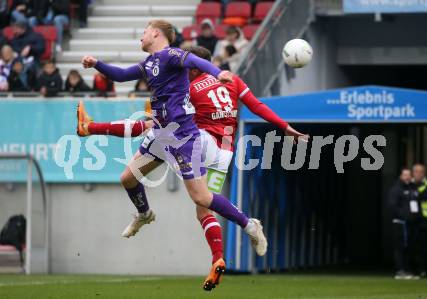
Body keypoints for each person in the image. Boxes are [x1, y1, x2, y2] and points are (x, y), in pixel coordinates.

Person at [77, 45, 309, 290]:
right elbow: (256, 106)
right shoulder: (233, 80)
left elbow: (154, 119)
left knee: (153, 135)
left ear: (193, 67)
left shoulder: (187, 90)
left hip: (199, 144)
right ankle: (220, 255)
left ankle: (90, 128)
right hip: (223, 154)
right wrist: (284, 127)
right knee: (202, 206)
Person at [389, 168, 421, 280]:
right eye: (405, 174)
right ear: (401, 176)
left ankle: (408, 270)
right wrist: (404, 216)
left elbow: (418, 204)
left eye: (409, 174)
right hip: (401, 223)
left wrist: (416, 216)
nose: (407, 177)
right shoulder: (396, 189)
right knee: (400, 247)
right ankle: (400, 270)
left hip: (412, 223)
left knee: (410, 247)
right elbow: (393, 206)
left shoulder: (413, 189)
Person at [412, 163, 427, 277]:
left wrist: (414, 193)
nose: (418, 174)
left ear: (424, 173)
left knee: (422, 247)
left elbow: (425, 195)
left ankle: (423, 269)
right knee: (410, 246)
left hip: (423, 220)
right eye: (416, 171)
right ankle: (410, 269)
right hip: (411, 219)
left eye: (421, 172)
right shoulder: (408, 183)